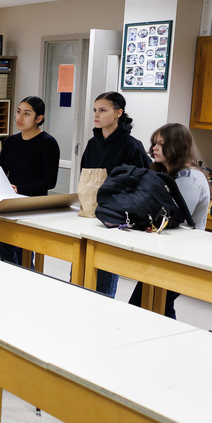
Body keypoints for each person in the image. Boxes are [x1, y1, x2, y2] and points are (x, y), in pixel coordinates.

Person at [128, 123, 210, 318]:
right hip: (166, 253)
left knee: (144, 306)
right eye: (154, 144)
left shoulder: (188, 178)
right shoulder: (168, 173)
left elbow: (174, 220)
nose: (154, 148)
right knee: (158, 307)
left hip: (180, 257)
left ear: (176, 146)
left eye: (160, 144)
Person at [80, 91, 149, 297]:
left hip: (115, 218)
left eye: (103, 110)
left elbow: (139, 185)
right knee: (81, 270)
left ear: (118, 113)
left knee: (104, 274)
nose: (97, 115)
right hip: (90, 213)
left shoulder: (131, 145)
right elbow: (84, 177)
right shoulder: (93, 143)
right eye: (95, 110)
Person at [0, 96, 60, 267]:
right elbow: (0, 172)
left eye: (26, 114)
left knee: (22, 250)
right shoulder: (11, 141)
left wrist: (19, 188)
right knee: (0, 247)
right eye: (18, 112)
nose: (19, 118)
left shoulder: (48, 143)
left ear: (39, 119)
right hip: (9, 203)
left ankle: (24, 281)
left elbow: (50, 181)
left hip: (32, 205)